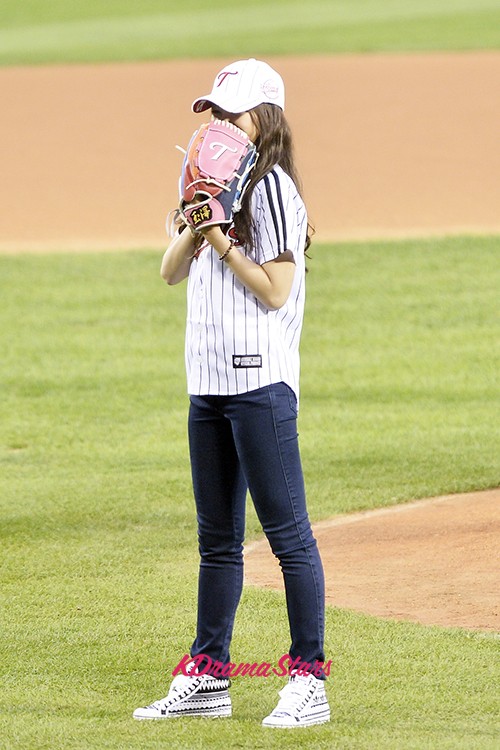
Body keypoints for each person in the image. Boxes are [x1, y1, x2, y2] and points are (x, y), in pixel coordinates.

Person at [133, 58, 330, 729]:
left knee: (288, 538)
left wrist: (217, 233)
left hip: (260, 387)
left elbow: (275, 290)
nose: (218, 125)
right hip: (208, 383)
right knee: (217, 542)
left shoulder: (273, 190)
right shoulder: (208, 182)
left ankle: (309, 680)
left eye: (232, 113)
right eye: (213, 112)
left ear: (264, 119)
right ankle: (208, 678)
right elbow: (166, 272)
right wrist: (196, 214)